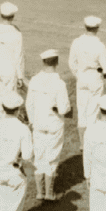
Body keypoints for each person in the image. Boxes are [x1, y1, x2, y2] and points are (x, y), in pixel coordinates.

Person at [25, 48, 70, 202]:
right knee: (51, 158)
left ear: (43, 62)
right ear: (56, 62)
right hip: (53, 125)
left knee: (39, 156)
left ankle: (39, 192)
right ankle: (49, 193)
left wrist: (31, 121)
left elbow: (29, 104)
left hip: (38, 124)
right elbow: (64, 108)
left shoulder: (34, 80)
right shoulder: (59, 83)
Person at [0, 92, 33, 211]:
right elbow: (27, 155)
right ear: (18, 109)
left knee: (1, 210)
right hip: (15, 172)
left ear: (3, 107)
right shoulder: (23, 129)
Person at [69, 15, 106, 148]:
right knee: (93, 111)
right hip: (94, 78)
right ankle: (91, 143)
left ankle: (82, 144)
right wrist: (103, 73)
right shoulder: (99, 45)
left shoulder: (77, 42)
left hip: (81, 77)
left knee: (82, 110)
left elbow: (71, 62)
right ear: (97, 28)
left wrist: (78, 75)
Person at [0, 1, 25, 120]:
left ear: (1, 15)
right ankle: (8, 120)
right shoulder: (17, 33)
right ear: (13, 16)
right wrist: (20, 76)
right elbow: (19, 57)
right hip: (10, 70)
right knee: (9, 97)